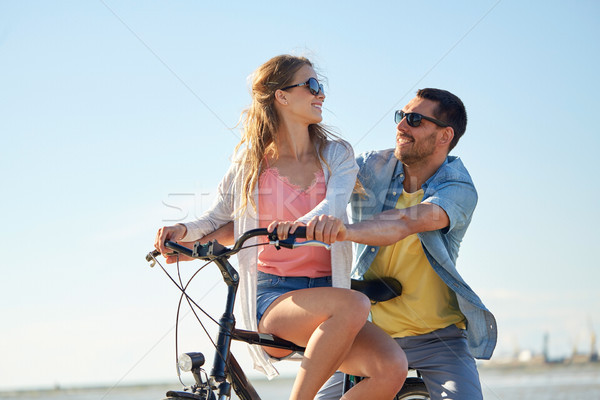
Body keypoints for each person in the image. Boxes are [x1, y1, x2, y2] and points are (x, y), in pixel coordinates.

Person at [154, 55, 407, 400]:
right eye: (312, 86)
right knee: (354, 304)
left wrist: (299, 225)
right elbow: (216, 218)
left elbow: (332, 206)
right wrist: (183, 230)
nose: (321, 95)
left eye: (321, 87)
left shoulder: (336, 155)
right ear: (282, 96)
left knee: (391, 368)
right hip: (275, 298)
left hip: (331, 294)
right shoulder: (250, 163)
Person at [306, 88, 497, 400]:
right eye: (401, 116)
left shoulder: (457, 187)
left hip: (439, 339)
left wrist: (344, 231)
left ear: (444, 135)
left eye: (414, 119)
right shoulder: (370, 167)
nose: (400, 126)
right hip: (366, 335)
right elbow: (312, 181)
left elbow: (408, 221)